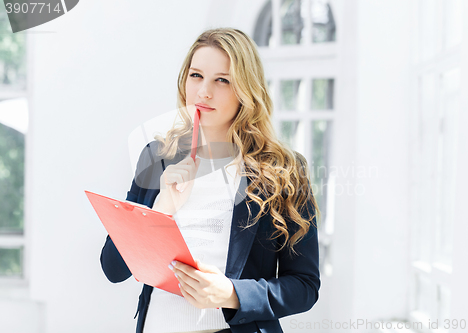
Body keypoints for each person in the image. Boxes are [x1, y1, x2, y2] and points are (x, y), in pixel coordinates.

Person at [100, 27, 321, 333]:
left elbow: (305, 286)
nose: (204, 91)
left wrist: (231, 294)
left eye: (222, 80)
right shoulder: (156, 157)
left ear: (246, 88)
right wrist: (160, 210)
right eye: (196, 76)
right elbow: (113, 268)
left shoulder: (283, 171)